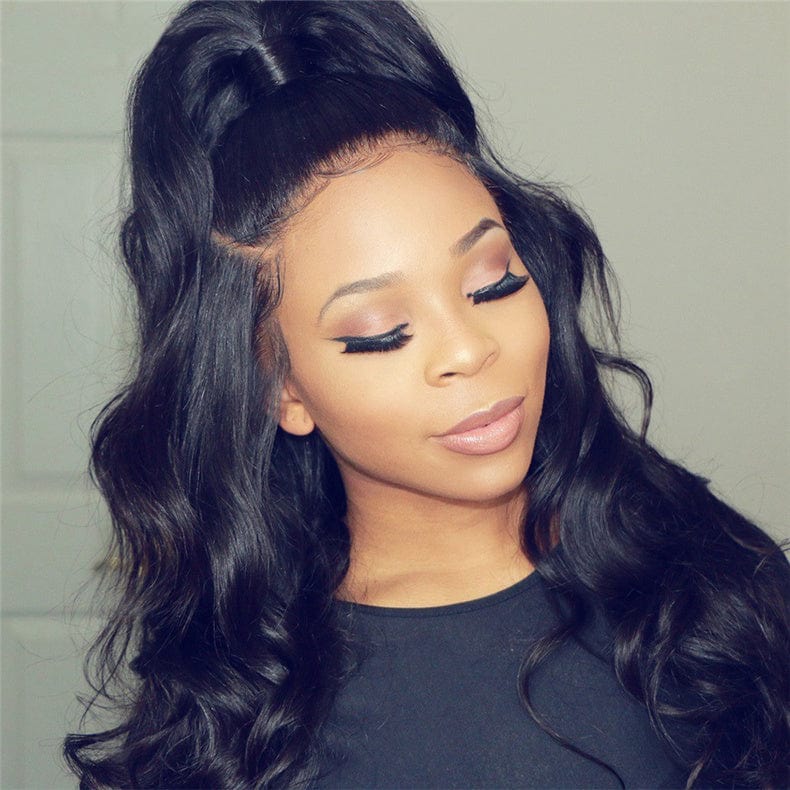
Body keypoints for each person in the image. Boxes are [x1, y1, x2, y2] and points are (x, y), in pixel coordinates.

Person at [64, 1, 789, 788]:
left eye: (493, 283)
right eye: (383, 333)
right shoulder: (256, 728)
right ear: (279, 387)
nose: (469, 350)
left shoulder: (705, 565)